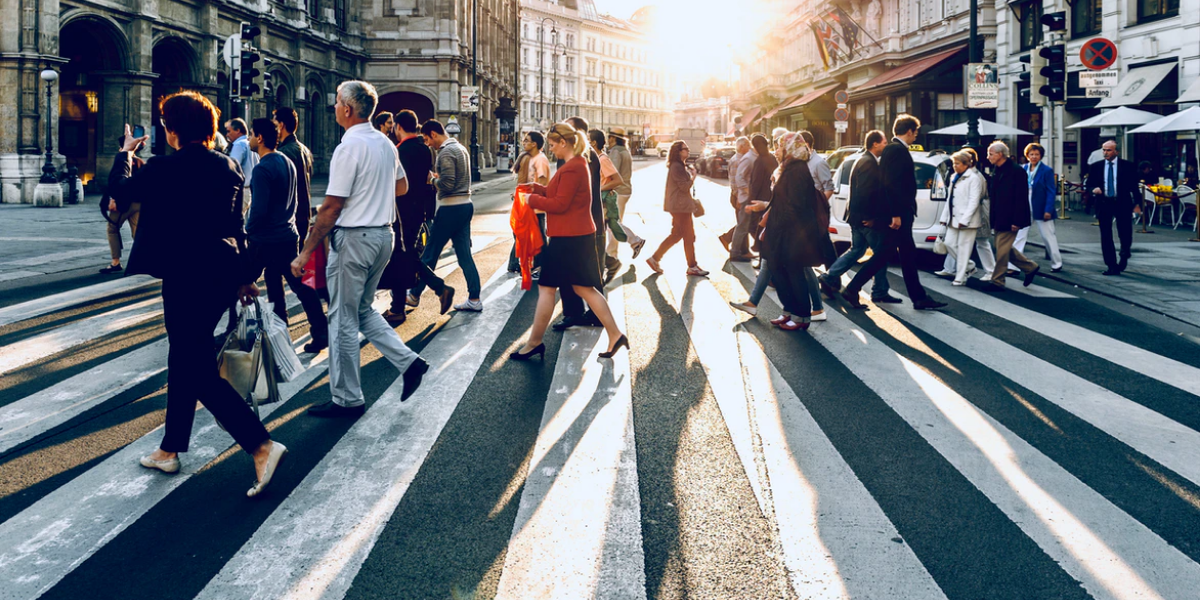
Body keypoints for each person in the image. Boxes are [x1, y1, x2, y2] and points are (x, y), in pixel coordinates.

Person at [107, 92, 286, 497]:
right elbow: (236, 225)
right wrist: (243, 276)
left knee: (196, 366)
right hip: (221, 273)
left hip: (185, 275)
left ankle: (260, 445)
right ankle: (170, 448)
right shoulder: (228, 164)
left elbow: (118, 188)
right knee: (185, 356)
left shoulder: (164, 167)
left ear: (172, 130)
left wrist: (124, 152)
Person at [291, 80, 430, 418]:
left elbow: (332, 207)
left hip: (354, 239)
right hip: (383, 236)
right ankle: (409, 363)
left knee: (340, 319)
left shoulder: (348, 147)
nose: (334, 106)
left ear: (348, 109)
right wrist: (372, 193)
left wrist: (306, 251)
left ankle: (347, 399)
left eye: (337, 101)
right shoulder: (385, 143)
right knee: (363, 310)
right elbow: (402, 186)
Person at [510, 123, 628, 360]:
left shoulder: (574, 167)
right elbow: (558, 195)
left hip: (569, 238)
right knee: (582, 287)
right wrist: (535, 189)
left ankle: (534, 342)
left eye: (553, 144)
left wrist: (532, 199)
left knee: (547, 287)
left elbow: (560, 204)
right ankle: (615, 335)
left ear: (563, 143)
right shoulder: (575, 165)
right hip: (574, 236)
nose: (551, 149)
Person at [838, 115, 946, 311]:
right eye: (915, 132)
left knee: (902, 254)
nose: (916, 136)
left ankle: (918, 297)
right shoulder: (897, 150)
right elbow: (892, 183)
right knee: (889, 254)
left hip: (898, 212)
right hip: (898, 213)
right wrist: (895, 214)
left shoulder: (893, 149)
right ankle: (854, 288)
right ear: (910, 131)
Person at [245, 118, 329, 352]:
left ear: (260, 138)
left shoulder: (262, 168)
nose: (250, 138)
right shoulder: (286, 161)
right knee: (297, 284)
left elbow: (259, 210)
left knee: (240, 281)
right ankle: (319, 330)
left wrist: (248, 231)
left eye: (251, 134)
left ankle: (235, 331)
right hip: (287, 234)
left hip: (264, 239)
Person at [379, 110, 455, 323]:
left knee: (403, 256)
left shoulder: (399, 151)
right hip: (418, 210)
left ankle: (436, 289)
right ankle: (400, 305)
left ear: (399, 127)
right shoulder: (425, 150)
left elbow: (396, 184)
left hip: (401, 212)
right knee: (404, 256)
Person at [756, 132, 834, 331]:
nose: (776, 151)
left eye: (779, 147)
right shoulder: (788, 168)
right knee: (779, 270)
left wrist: (776, 228)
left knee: (794, 272)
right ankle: (789, 311)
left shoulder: (797, 170)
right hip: (783, 230)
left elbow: (794, 206)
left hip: (794, 233)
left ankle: (801, 317)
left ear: (790, 148)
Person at [408, 119, 484, 311]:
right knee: (464, 255)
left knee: (430, 253)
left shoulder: (446, 152)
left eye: (427, 138)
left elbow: (448, 184)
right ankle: (475, 299)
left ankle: (415, 294)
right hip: (465, 206)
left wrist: (432, 179)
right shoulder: (461, 148)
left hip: (450, 208)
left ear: (434, 134)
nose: (427, 143)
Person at [818, 130, 898, 303]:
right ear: (875, 144)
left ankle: (830, 276)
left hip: (855, 216)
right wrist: (870, 217)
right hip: (865, 219)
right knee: (880, 254)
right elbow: (864, 192)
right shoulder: (869, 163)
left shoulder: (861, 159)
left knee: (857, 250)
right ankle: (879, 291)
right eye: (884, 142)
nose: (886, 145)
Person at [552, 116, 607, 331]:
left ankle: (593, 314)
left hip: (583, 222)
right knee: (570, 270)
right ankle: (576, 313)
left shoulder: (584, 156)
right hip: (576, 221)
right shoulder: (572, 154)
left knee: (588, 271)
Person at [646, 141, 709, 277]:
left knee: (677, 234)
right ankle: (692, 266)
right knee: (688, 236)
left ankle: (655, 258)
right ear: (679, 152)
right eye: (685, 149)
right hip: (680, 206)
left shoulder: (679, 166)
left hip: (679, 205)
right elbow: (684, 187)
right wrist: (693, 177)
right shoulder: (677, 167)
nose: (688, 150)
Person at [985, 142, 1039, 289]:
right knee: (1003, 247)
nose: (988, 157)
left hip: (1011, 217)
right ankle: (1029, 267)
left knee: (1001, 251)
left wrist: (1016, 220)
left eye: (991, 153)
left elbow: (1020, 198)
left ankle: (997, 280)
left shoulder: (1016, 171)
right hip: (1000, 215)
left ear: (1000, 154)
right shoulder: (997, 169)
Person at [1085, 140, 1140, 275]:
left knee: (1125, 232)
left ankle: (1124, 253)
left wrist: (1137, 204)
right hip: (1104, 203)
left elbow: (1134, 187)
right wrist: (1094, 189)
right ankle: (1111, 265)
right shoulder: (1096, 166)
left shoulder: (1127, 166)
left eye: (1109, 150)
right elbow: (1089, 185)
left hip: (1122, 202)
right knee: (1105, 234)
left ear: (1116, 151)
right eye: (1104, 150)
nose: (1105, 153)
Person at [939, 149, 988, 285]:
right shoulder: (954, 177)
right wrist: (944, 217)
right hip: (953, 218)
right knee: (949, 243)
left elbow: (974, 201)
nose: (955, 166)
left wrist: (965, 220)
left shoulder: (974, 178)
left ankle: (960, 277)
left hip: (968, 220)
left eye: (958, 163)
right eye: (954, 163)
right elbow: (950, 199)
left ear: (966, 164)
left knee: (964, 247)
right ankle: (970, 266)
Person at [507, 132, 551, 274]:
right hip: (528, 203)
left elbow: (543, 184)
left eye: (527, 141)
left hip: (535, 205)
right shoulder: (530, 158)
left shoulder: (540, 160)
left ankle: (543, 266)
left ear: (534, 144)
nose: (523, 142)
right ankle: (535, 265)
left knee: (539, 236)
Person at [604, 127, 646, 275]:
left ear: (613, 139)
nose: (608, 141)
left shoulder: (615, 152)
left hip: (617, 191)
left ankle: (632, 242)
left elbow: (612, 173)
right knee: (614, 222)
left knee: (613, 223)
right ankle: (612, 253)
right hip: (625, 190)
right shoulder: (625, 150)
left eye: (609, 138)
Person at [100, 135, 144, 274]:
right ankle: (142, 262)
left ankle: (115, 262)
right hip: (138, 203)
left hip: (122, 203)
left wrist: (112, 199)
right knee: (138, 232)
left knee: (112, 229)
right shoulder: (140, 163)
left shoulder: (121, 161)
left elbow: (115, 183)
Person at [273, 107, 315, 251]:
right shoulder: (304, 149)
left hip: (289, 219)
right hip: (304, 215)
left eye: (274, 122)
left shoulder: (283, 153)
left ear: (281, 125)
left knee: (278, 267)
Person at [1022, 143, 1062, 272]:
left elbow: (1051, 191)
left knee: (1048, 236)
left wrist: (1048, 209)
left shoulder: (1046, 170)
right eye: (1031, 154)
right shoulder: (1024, 168)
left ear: (1041, 156)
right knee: (1019, 235)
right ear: (1027, 155)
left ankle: (1057, 263)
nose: (1033, 157)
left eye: (1036, 154)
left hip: (1041, 206)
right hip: (1025, 205)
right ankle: (1013, 265)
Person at [721, 137, 752, 259]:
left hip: (741, 195)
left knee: (744, 222)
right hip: (738, 196)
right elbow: (735, 182)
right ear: (741, 146)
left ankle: (744, 251)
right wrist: (739, 197)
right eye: (748, 145)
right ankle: (727, 238)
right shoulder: (737, 160)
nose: (750, 148)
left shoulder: (742, 159)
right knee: (744, 222)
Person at [225, 118, 258, 190]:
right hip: (253, 188)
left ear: (237, 130)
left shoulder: (239, 144)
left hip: (243, 189)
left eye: (228, 131)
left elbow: (232, 168)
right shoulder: (251, 143)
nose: (227, 135)